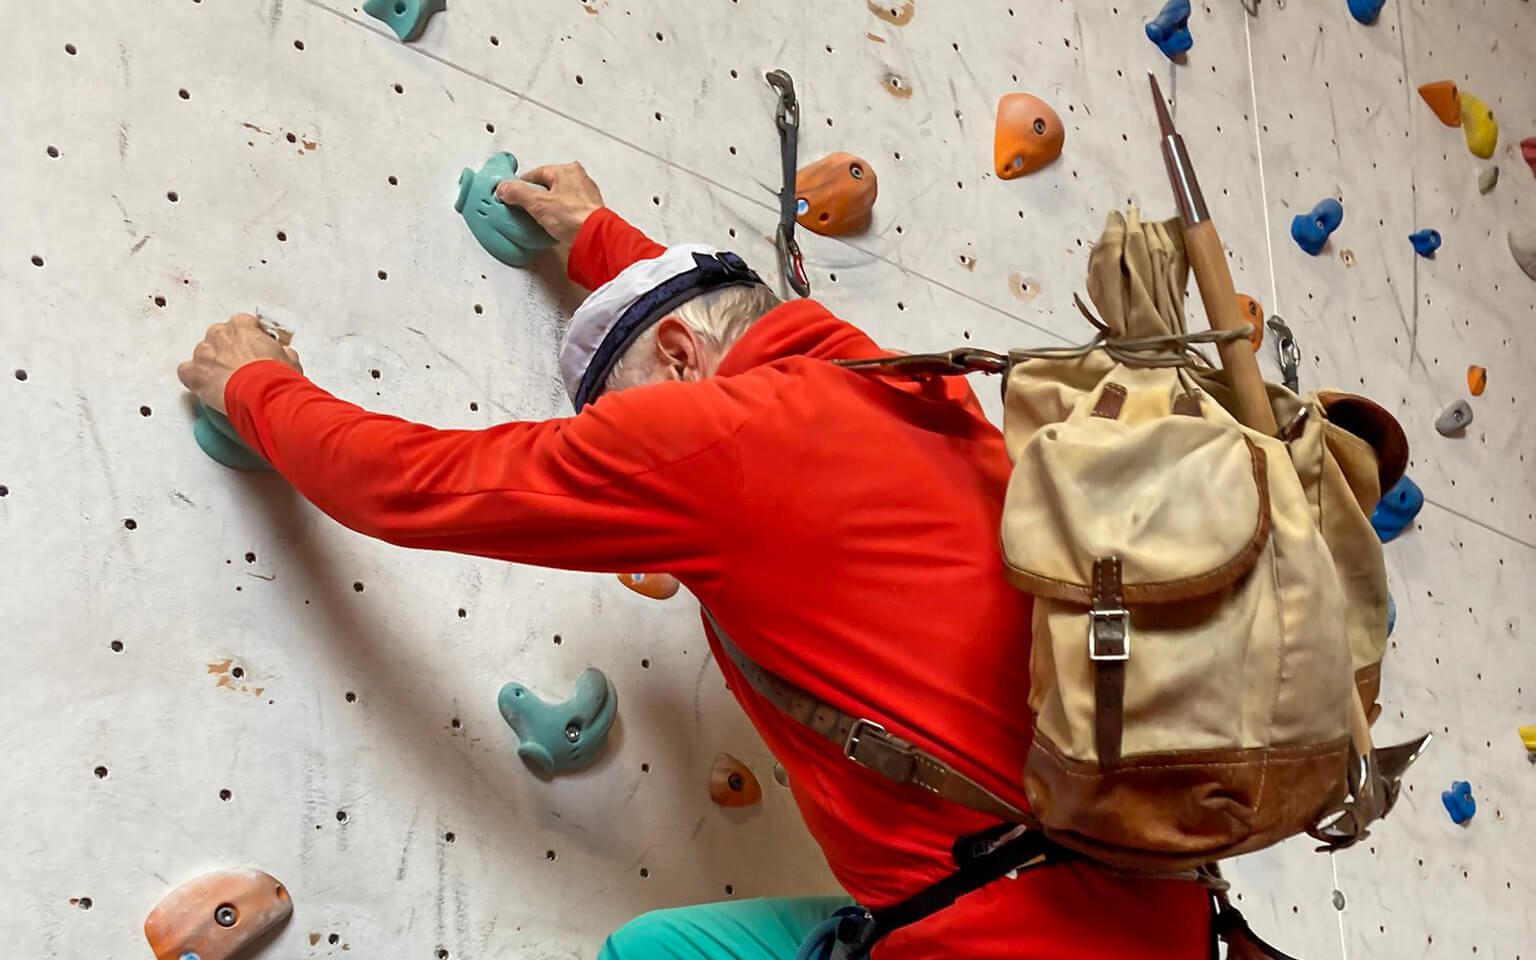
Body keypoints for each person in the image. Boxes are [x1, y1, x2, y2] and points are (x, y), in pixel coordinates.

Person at [177, 162, 1209, 959]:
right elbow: (732, 315)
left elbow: (409, 483)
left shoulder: (719, 436)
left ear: (677, 364)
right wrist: (601, 244)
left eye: (615, 419)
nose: (617, 459)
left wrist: (255, 384)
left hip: (999, 937)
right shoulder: (891, 382)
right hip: (1152, 913)